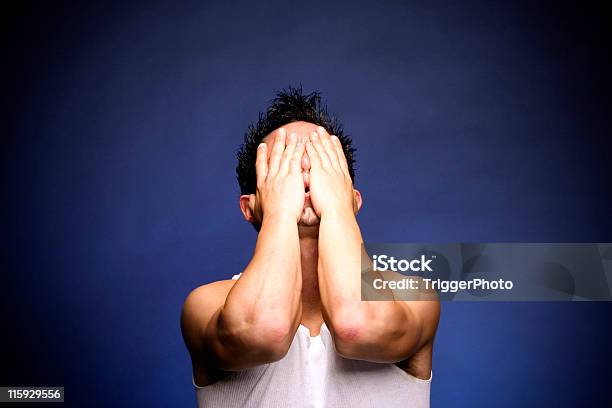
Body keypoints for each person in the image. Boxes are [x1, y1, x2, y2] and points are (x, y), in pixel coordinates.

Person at [181, 86, 440, 407]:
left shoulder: (412, 296)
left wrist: (335, 209)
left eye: (321, 164)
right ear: (250, 206)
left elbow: (355, 324)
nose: (305, 177)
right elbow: (266, 330)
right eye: (283, 166)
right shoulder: (206, 305)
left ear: (353, 200)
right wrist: (280, 211)